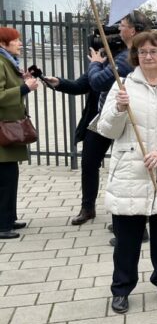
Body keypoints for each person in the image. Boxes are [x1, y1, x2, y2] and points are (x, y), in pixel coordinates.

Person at [95, 30, 157, 314]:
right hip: (130, 170)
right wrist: (119, 110)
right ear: (136, 55)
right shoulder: (123, 85)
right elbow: (106, 129)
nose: (148, 56)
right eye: (143, 51)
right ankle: (121, 289)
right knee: (127, 239)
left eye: (154, 51)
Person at [47, 33, 128, 226]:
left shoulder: (123, 61)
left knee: (123, 166)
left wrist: (96, 64)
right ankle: (87, 208)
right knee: (89, 162)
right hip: (100, 119)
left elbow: (99, 81)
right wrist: (58, 82)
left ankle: (127, 215)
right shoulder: (101, 64)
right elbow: (80, 85)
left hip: (123, 117)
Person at [89, 13, 150, 239]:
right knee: (126, 175)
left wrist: (94, 64)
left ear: (133, 30)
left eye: (122, 26)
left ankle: (136, 228)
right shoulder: (126, 55)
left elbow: (97, 82)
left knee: (130, 174)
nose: (117, 30)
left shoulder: (127, 58)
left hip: (131, 122)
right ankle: (125, 224)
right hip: (122, 117)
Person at [0, 27, 38, 239]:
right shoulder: (0, 62)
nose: (20, 44)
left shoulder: (7, 62)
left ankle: (9, 218)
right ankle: (2, 225)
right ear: (4, 44)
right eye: (16, 41)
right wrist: (24, 88)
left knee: (9, 176)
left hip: (7, 127)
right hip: (2, 130)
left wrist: (23, 80)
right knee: (5, 180)